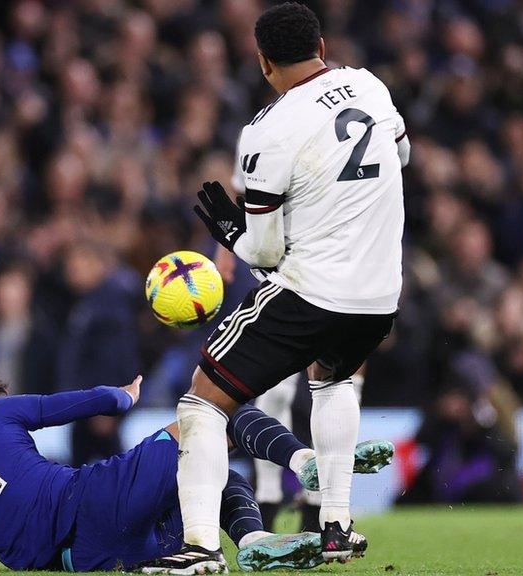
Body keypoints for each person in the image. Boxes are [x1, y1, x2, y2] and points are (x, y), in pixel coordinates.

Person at [141, 3, 410, 572]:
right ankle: (336, 525)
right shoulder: (369, 85)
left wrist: (231, 233)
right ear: (322, 43)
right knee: (333, 381)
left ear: (262, 62)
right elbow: (400, 154)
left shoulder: (267, 129)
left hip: (313, 292)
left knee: (204, 399)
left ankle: (201, 549)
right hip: (380, 296)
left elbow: (263, 254)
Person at [0, 364, 391, 573]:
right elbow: (74, 404)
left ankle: (247, 545)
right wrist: (123, 396)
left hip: (83, 558)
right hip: (91, 500)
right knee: (211, 414)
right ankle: (302, 462)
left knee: (212, 475)